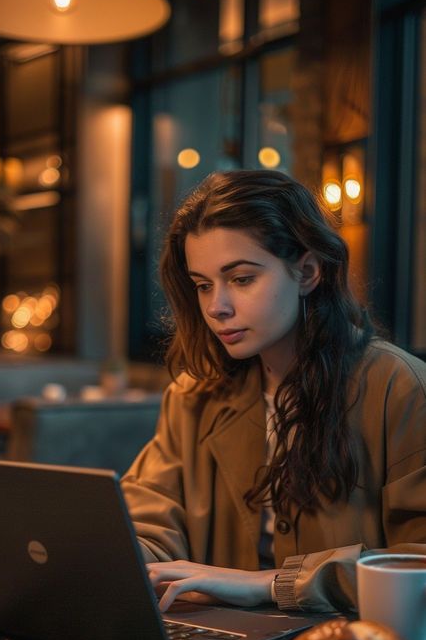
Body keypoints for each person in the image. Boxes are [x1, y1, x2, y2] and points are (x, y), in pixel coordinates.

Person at [121, 169, 426, 614]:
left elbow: (415, 563)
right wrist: (106, 558)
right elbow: (149, 522)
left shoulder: (398, 389)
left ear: (306, 271)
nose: (216, 307)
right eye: (203, 285)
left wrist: (273, 583)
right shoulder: (193, 394)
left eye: (241, 279)